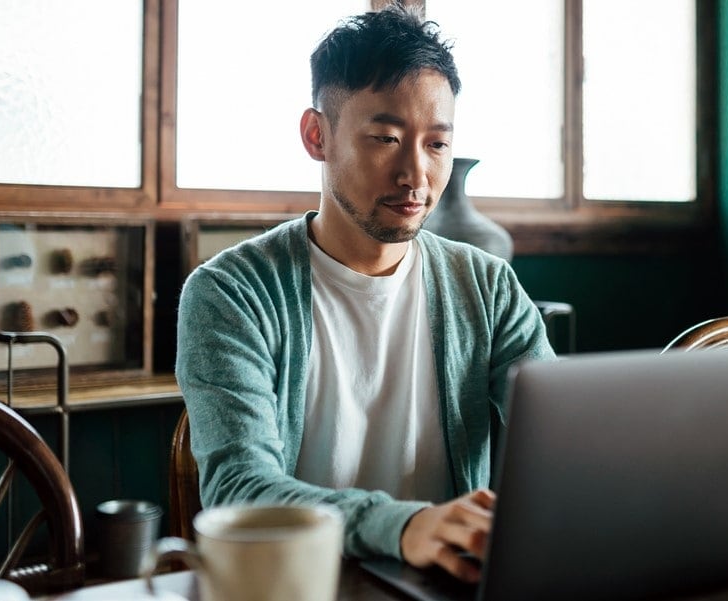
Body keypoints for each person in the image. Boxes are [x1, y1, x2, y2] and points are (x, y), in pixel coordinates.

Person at [174, 5, 554, 583]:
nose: (416, 175)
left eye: (437, 145)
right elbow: (239, 488)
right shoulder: (229, 294)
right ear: (316, 135)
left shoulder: (486, 285)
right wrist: (403, 527)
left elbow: (560, 439)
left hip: (444, 584)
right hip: (300, 585)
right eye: (386, 138)